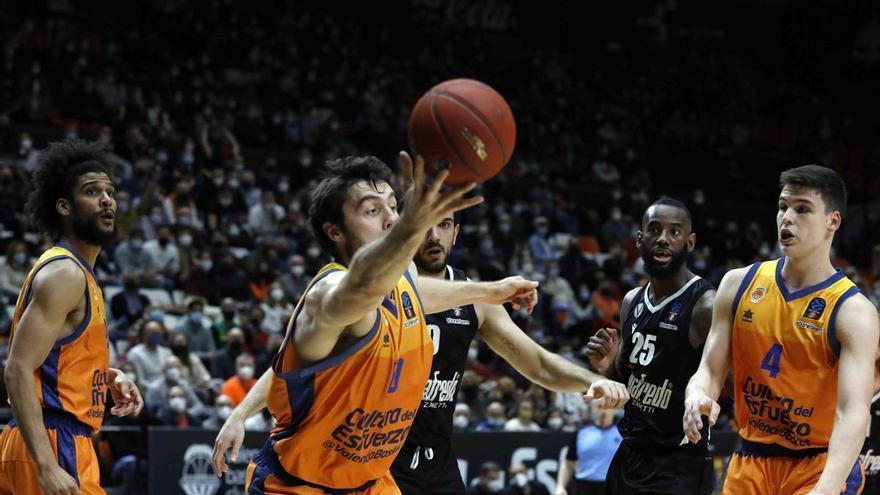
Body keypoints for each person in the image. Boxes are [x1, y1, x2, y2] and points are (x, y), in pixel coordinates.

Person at [211, 153, 549, 494]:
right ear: (335, 231)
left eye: (394, 207)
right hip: (301, 486)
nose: (390, 219)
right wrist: (407, 230)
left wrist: (493, 290)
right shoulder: (327, 294)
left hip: (372, 485)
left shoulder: (404, 287)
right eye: (373, 211)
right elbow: (362, 288)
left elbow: (419, 292)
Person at [391, 213, 628, 495]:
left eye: (443, 224)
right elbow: (410, 291)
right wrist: (492, 289)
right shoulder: (379, 287)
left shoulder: (476, 300)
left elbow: (539, 365)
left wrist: (593, 381)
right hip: (380, 461)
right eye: (423, 225)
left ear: (455, 232)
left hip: (437, 464)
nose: (433, 236)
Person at [684, 165, 879, 495]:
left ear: (833, 221)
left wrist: (828, 487)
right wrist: (697, 395)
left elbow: (853, 412)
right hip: (749, 459)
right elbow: (709, 370)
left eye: (802, 209)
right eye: (782, 207)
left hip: (817, 466)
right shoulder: (737, 284)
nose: (787, 217)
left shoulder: (853, 311)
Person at [0, 140, 143, 495]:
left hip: (63, 439)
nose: (107, 199)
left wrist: (107, 375)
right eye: (92, 191)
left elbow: (52, 359)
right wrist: (47, 465)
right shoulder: (66, 274)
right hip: (51, 440)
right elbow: (17, 368)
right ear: (63, 206)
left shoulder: (79, 273)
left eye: (110, 191)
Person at [586, 198, 715, 494]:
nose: (663, 239)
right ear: (640, 239)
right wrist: (607, 368)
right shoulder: (631, 300)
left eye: (674, 232)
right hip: (629, 454)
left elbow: (724, 380)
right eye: (655, 230)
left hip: (679, 462)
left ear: (690, 242)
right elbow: (624, 385)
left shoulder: (705, 304)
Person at [555, 406, 622, 495]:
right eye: (600, 407)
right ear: (593, 409)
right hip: (583, 487)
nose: (603, 411)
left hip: (613, 488)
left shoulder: (622, 435)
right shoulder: (580, 433)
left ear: (614, 410)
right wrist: (560, 486)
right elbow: (568, 465)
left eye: (607, 407)